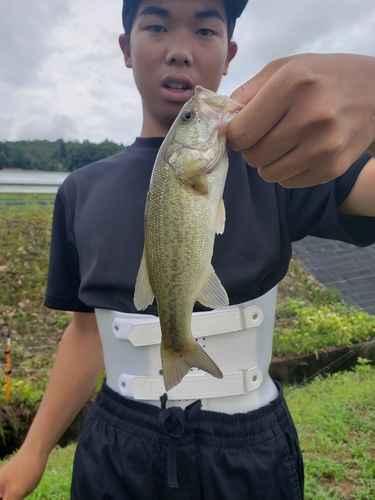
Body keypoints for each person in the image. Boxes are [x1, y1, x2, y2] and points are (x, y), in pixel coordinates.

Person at [1, 0, 375, 498]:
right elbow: (86, 331)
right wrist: (33, 450)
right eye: (156, 26)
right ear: (126, 48)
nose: (180, 50)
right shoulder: (79, 191)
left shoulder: (281, 169)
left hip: (252, 449)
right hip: (116, 449)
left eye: (204, 29)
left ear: (230, 54)